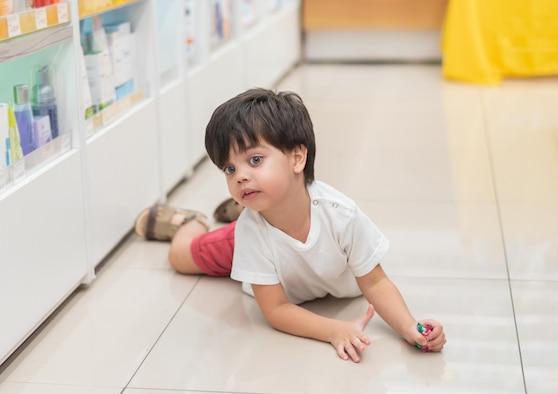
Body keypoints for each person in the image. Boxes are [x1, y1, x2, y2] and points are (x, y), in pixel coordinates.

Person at [135, 88, 446, 362]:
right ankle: (190, 221)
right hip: (249, 237)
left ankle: (249, 202)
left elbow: (376, 283)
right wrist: (334, 330)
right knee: (182, 257)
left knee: (258, 207)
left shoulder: (342, 215)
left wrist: (410, 328)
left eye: (255, 160)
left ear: (297, 158)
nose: (240, 175)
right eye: (230, 169)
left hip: (273, 224)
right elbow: (276, 309)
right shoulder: (249, 232)